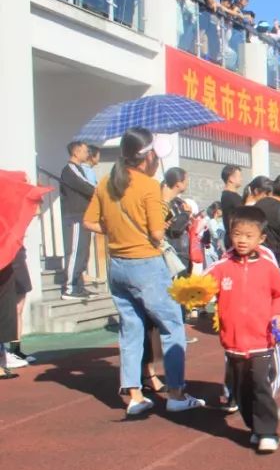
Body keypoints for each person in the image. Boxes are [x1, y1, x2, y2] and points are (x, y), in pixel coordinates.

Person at [81, 128, 204, 416]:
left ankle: (135, 395)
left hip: (117, 265)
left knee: (130, 330)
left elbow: (90, 223)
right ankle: (176, 393)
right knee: (172, 327)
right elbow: (158, 232)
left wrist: (115, 230)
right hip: (146, 264)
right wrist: (166, 214)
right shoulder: (148, 186)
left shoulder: (105, 182)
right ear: (149, 155)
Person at [205, 206, 280, 453]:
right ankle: (255, 426)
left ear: (261, 239)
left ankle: (268, 431)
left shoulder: (267, 266)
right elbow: (202, 287)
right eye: (237, 234)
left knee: (260, 386)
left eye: (248, 235)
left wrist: (279, 314)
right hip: (233, 342)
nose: (242, 240)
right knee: (240, 390)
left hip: (262, 340)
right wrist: (193, 294)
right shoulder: (222, 265)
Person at [60, 141, 98, 300]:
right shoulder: (70, 169)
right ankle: (69, 288)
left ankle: (78, 285)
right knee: (75, 251)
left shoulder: (80, 169)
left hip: (83, 215)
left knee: (83, 252)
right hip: (75, 215)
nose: (87, 153)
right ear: (75, 152)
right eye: (85, 150)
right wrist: (100, 191)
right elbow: (87, 186)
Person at [219, 164, 244, 245]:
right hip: (234, 241)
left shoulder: (235, 196)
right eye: (239, 176)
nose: (241, 179)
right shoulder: (228, 196)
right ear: (231, 178)